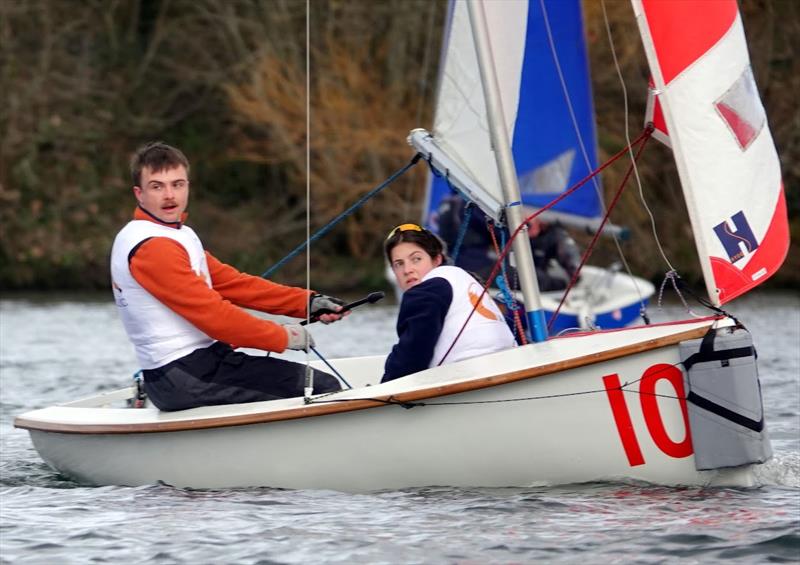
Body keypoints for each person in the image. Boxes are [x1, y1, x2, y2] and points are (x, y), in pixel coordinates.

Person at [111, 141, 347, 411]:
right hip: (183, 376)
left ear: (188, 186)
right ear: (139, 194)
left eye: (177, 184)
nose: (169, 195)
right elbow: (215, 316)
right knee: (322, 388)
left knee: (310, 382)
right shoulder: (153, 247)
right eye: (157, 186)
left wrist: (306, 303)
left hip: (203, 365)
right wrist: (282, 337)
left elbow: (234, 284)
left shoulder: (178, 235)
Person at [382, 223, 516, 382]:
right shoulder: (467, 279)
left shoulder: (426, 290)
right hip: (511, 365)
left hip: (472, 381)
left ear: (437, 259)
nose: (407, 270)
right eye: (399, 264)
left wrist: (377, 395)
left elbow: (411, 357)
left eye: (416, 259)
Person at [436, 194, 581, 292]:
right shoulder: (473, 205)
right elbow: (506, 233)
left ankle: (559, 278)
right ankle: (566, 284)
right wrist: (528, 225)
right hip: (477, 270)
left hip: (458, 267)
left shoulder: (450, 202)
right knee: (526, 277)